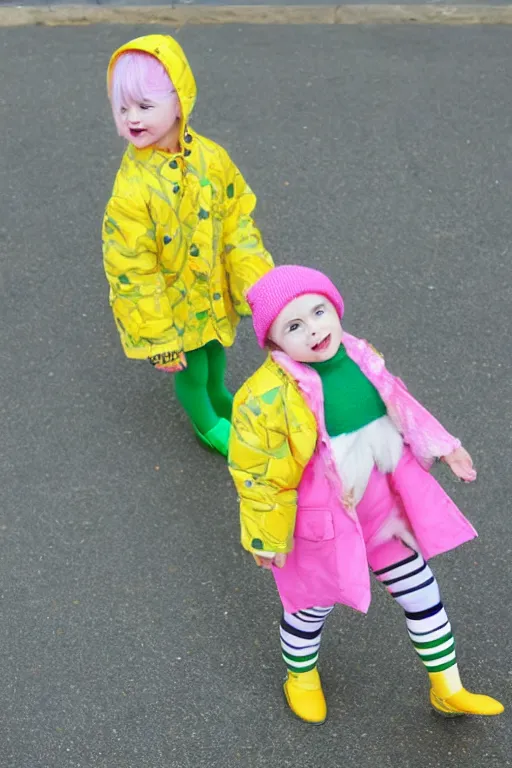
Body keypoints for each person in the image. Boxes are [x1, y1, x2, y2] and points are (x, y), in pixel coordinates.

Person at [228, 265, 504, 724]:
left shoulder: (361, 354)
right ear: (275, 342)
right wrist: (265, 537)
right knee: (309, 607)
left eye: (319, 311)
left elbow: (401, 403)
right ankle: (301, 677)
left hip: (381, 512)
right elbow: (258, 473)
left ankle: (448, 688)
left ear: (335, 308)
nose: (314, 328)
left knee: (422, 593)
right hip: (321, 523)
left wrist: (445, 446)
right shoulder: (264, 398)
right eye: (294, 326)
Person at [102, 35, 273, 456]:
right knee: (193, 368)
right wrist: (158, 338)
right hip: (173, 306)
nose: (132, 119)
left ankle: (221, 401)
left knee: (215, 357)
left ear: (179, 101)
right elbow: (131, 269)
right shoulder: (132, 192)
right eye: (122, 108)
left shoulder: (210, 159)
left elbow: (237, 221)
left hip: (209, 292)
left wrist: (256, 285)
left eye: (144, 106)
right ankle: (208, 424)